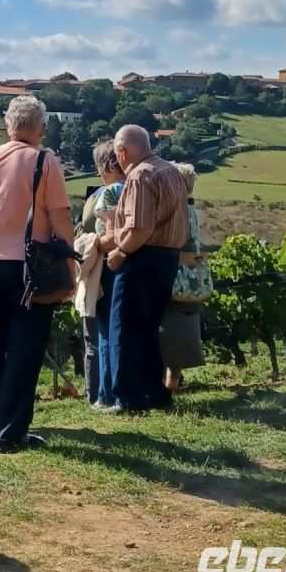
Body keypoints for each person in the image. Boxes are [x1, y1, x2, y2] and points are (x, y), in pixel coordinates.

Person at [0, 96, 74, 452]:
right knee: (25, 348)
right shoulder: (45, 160)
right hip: (28, 267)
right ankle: (10, 432)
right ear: (41, 128)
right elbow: (60, 219)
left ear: (7, 125)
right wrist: (69, 271)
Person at [105, 125, 189, 414]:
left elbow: (139, 227)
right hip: (168, 259)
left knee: (124, 329)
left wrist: (121, 251)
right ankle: (155, 392)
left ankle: (127, 398)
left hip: (141, 258)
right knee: (149, 329)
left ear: (122, 151)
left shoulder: (140, 175)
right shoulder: (171, 171)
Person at [79, 143, 125, 410]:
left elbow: (112, 237)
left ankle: (106, 394)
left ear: (108, 165)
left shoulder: (109, 192)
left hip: (109, 266)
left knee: (106, 332)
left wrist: (91, 244)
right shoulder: (134, 188)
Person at [161, 163, 207, 392]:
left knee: (166, 327)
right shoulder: (192, 210)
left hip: (176, 275)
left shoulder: (177, 211)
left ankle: (166, 387)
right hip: (192, 276)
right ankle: (172, 384)